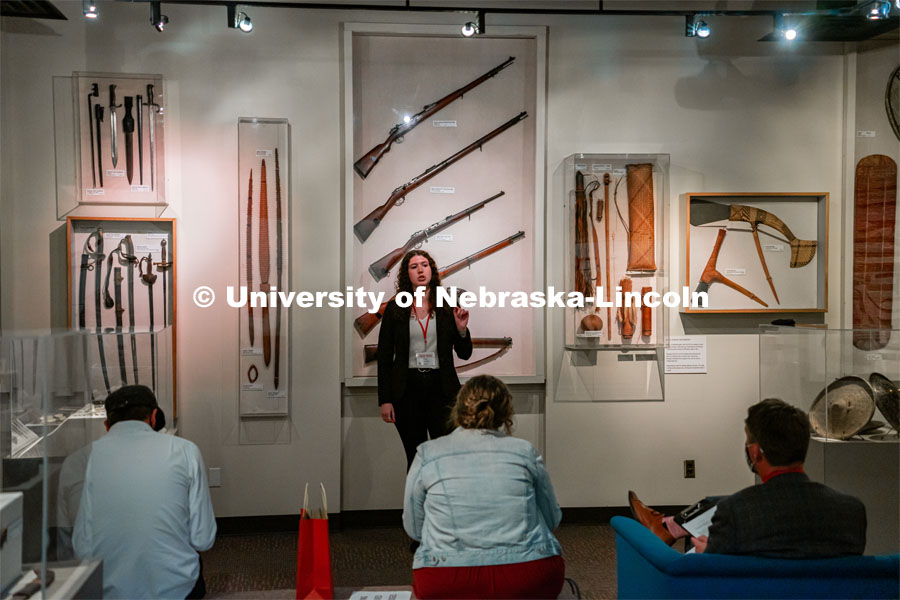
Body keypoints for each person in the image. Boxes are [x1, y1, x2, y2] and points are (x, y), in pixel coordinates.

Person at [629, 398, 867, 558]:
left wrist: (706, 554)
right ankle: (668, 528)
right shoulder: (851, 510)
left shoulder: (736, 512)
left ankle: (668, 528)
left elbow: (717, 570)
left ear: (755, 452)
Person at [403, 375, 565, 599]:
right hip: (528, 574)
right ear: (505, 411)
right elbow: (552, 518)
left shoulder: (427, 453)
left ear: (459, 407)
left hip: (444, 576)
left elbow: (413, 527)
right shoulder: (524, 451)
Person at [73, 385, 217, 598]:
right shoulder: (186, 450)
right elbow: (203, 538)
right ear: (154, 417)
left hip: (109, 591)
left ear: (107, 424)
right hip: (177, 587)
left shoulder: (89, 457)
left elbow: (82, 547)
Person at [377, 249, 472, 469]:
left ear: (432, 270)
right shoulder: (395, 308)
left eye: (425, 265)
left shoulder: (447, 305)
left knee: (445, 457)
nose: (420, 270)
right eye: (414, 266)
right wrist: (385, 400)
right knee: (416, 458)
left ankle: (441, 504)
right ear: (406, 274)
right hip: (407, 390)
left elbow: (464, 353)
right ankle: (416, 503)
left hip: (442, 389)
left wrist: (462, 330)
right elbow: (383, 357)